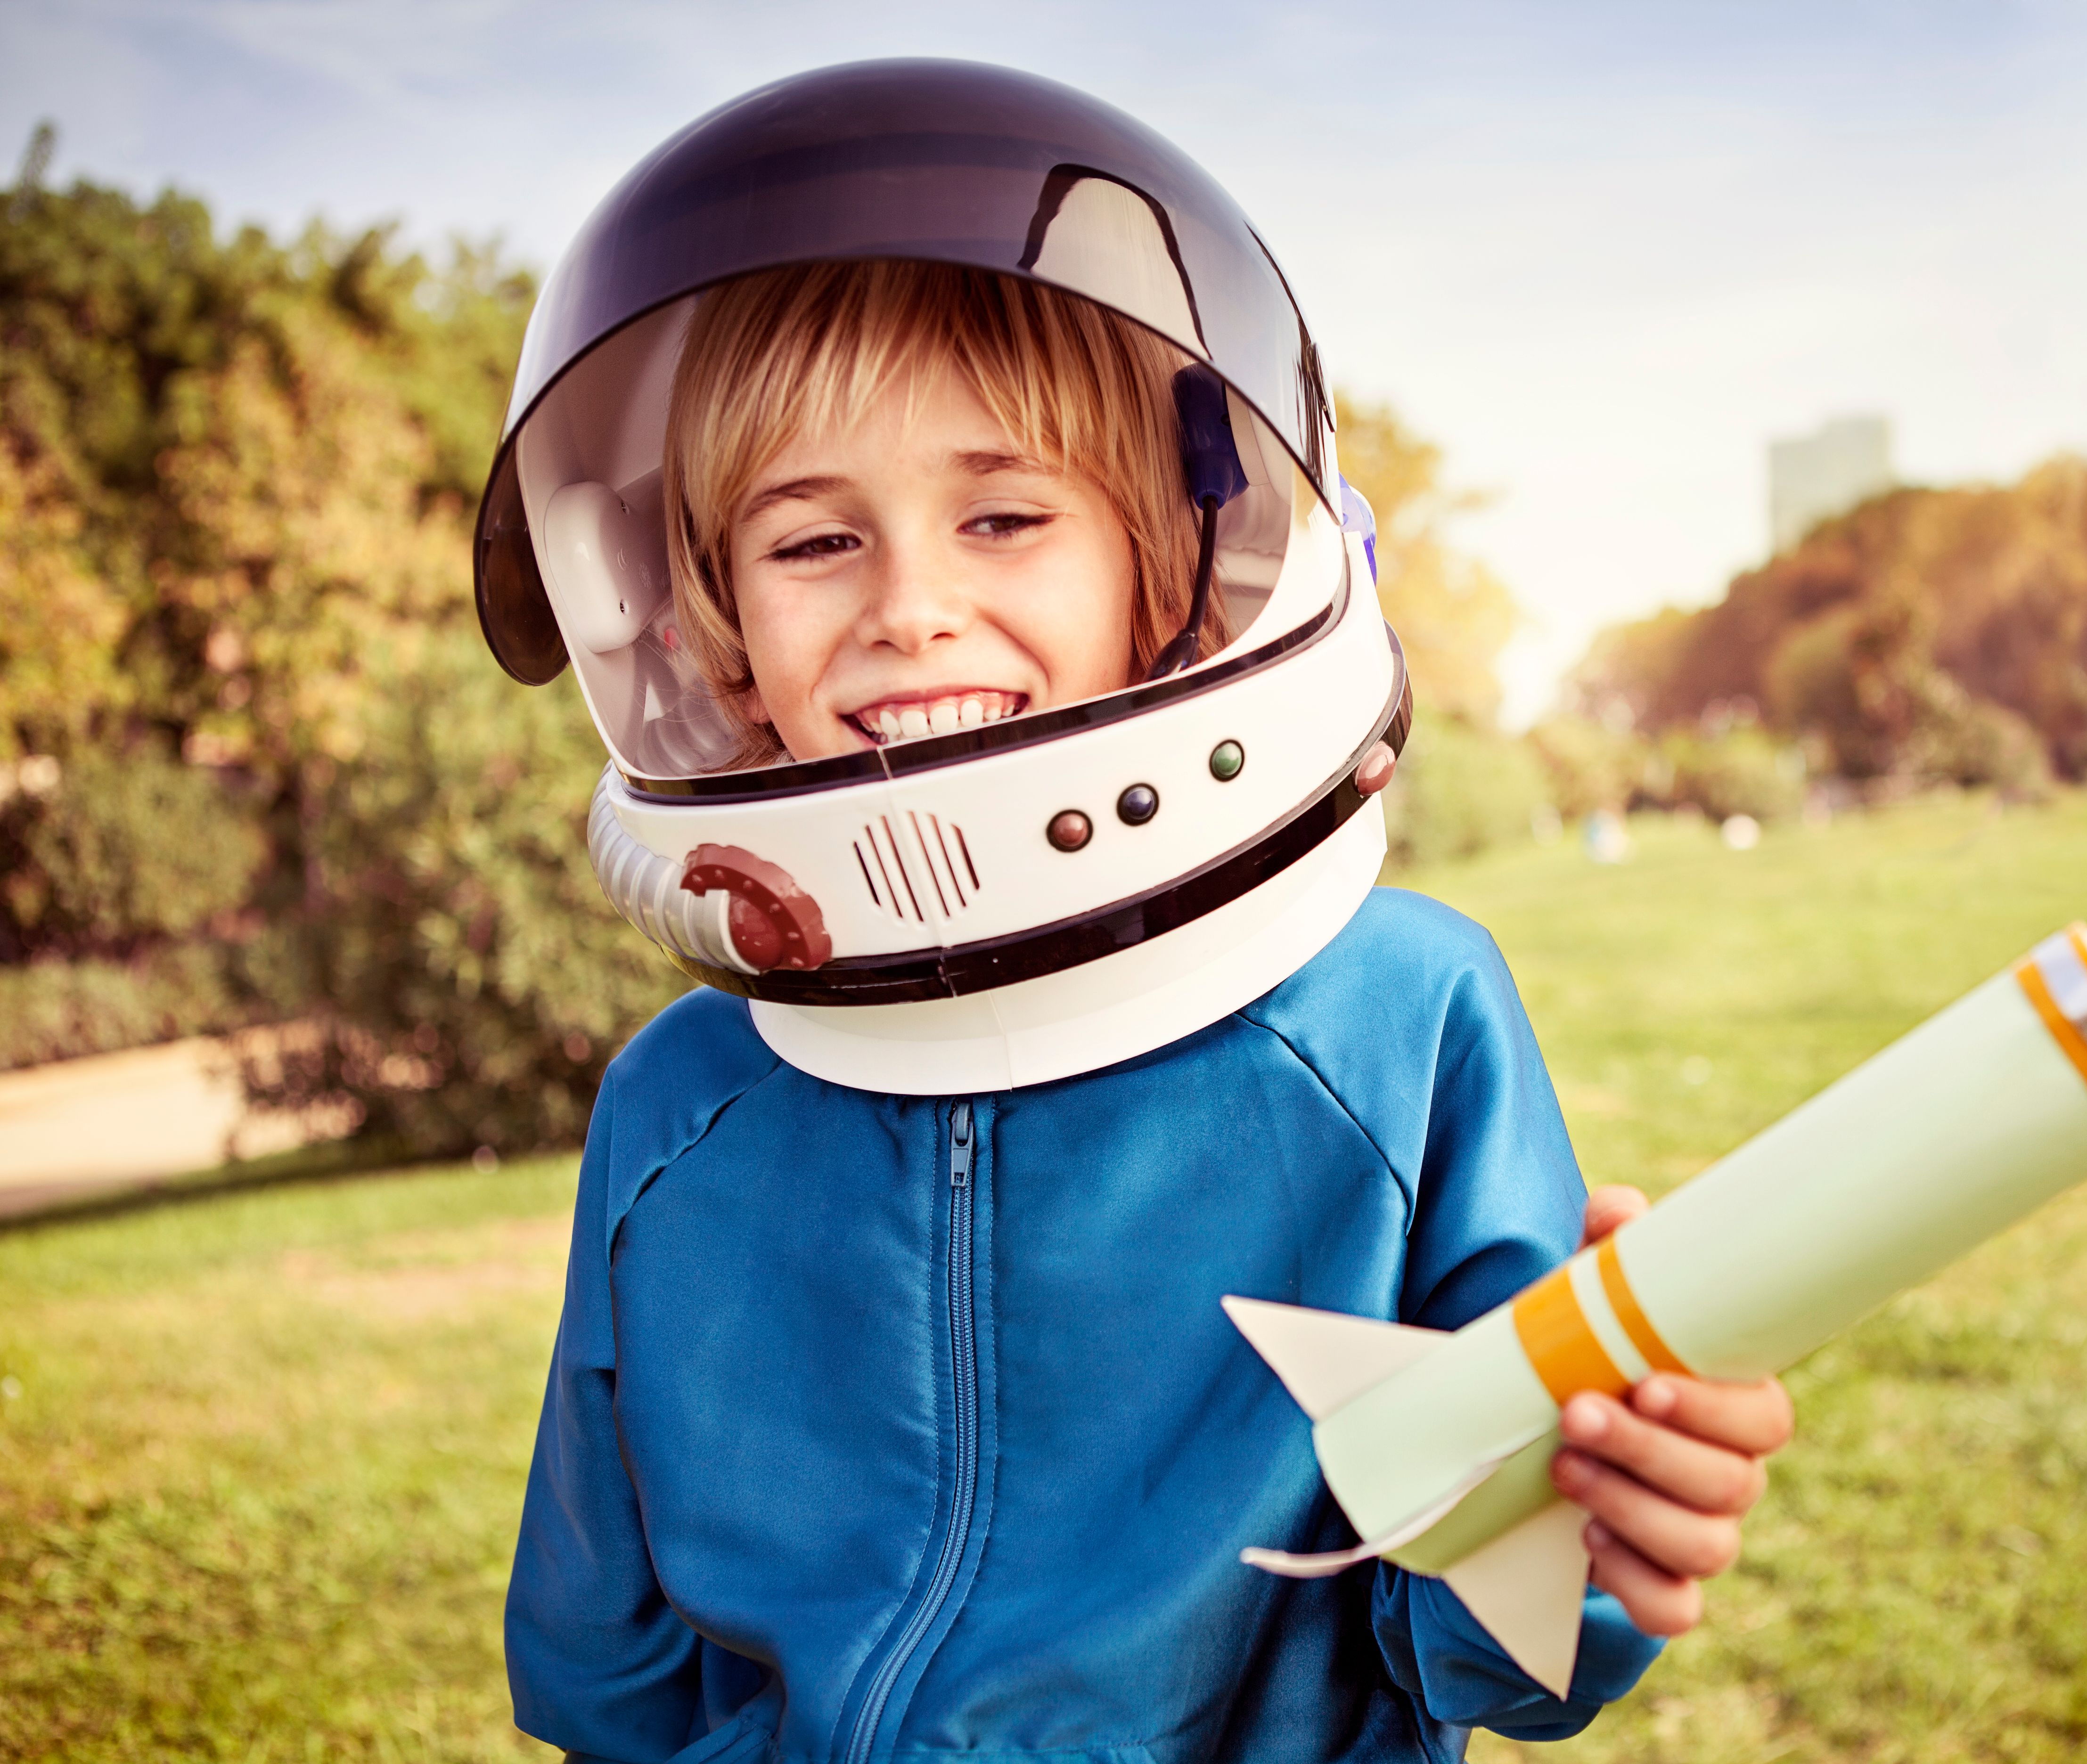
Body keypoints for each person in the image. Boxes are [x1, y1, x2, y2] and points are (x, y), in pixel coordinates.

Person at [488, 63, 1792, 1764]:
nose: (911, 610)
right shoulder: (680, 1105)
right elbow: (612, 1684)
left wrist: (1600, 1515)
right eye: (814, 542)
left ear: (1167, 555)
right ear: (706, 610)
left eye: (1005, 515)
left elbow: (1490, 1654)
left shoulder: (1401, 1021)